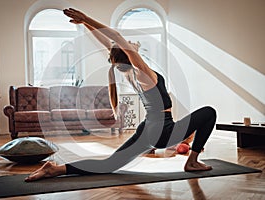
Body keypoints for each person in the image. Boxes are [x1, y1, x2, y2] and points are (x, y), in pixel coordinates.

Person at [25, 8, 217, 182]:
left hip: (148, 129)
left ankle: (56, 169)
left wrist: (86, 24)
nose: (131, 42)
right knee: (209, 112)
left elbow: (109, 43)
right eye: (129, 44)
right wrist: (86, 18)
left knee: (109, 165)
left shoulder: (127, 71)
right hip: (163, 131)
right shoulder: (140, 71)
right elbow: (115, 37)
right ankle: (192, 161)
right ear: (128, 52)